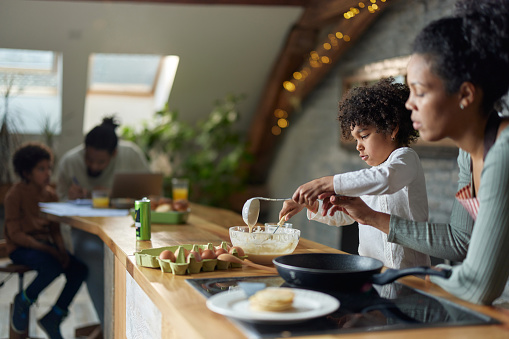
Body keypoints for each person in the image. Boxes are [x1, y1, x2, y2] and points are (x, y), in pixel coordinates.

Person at [309, 0, 509, 305]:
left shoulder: (503, 152)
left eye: (421, 91)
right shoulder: (470, 155)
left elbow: (477, 286)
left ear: (465, 94)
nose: (409, 104)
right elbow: (459, 241)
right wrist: (371, 217)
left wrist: (402, 278)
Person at [280, 78, 430, 270]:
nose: (358, 146)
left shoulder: (406, 159)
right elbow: (346, 216)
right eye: (355, 139)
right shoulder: (369, 178)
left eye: (364, 136)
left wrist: (326, 183)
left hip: (409, 277)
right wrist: (313, 205)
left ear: (392, 128)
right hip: (371, 273)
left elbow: (386, 179)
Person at [56, 116, 151, 328]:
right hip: (85, 230)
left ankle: (136, 323)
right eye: (89, 159)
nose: (93, 166)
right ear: (84, 149)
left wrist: (117, 197)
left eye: (100, 162)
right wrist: (70, 197)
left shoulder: (131, 155)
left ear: (114, 154)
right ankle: (110, 324)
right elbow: (58, 202)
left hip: (127, 225)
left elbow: (151, 192)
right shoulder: (70, 162)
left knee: (142, 257)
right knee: (93, 254)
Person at [4, 142, 88, 339]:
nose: (48, 173)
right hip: (21, 247)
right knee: (52, 266)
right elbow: (15, 234)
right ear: (26, 172)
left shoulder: (50, 195)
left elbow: (55, 230)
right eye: (41, 169)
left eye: (49, 168)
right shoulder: (14, 196)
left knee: (79, 270)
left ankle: (54, 316)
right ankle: (24, 299)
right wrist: (49, 250)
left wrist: (60, 249)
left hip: (44, 247)